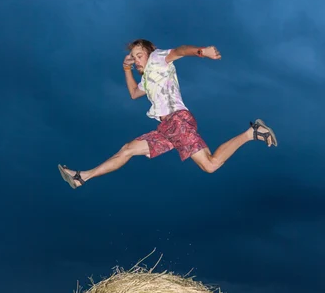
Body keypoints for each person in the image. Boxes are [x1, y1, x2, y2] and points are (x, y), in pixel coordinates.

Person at [58, 39, 277, 189]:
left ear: (149, 52)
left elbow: (180, 51)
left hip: (178, 121)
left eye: (139, 54)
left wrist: (202, 52)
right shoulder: (146, 78)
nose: (137, 60)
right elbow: (134, 93)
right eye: (133, 58)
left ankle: (252, 132)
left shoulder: (158, 58)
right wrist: (126, 69)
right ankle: (81, 177)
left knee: (210, 165)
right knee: (127, 150)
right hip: (166, 129)